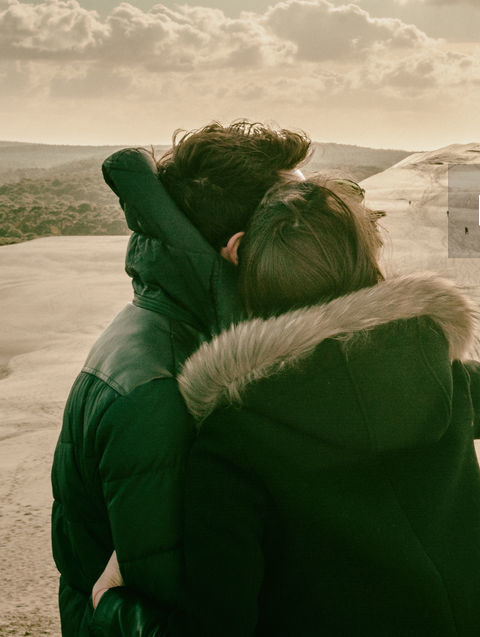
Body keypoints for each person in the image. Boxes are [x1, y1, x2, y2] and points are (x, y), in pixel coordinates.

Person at [91, 176, 480, 636]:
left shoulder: (233, 438)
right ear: (369, 269)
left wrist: (112, 606)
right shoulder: (436, 375)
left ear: (238, 255)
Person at [50, 122, 311, 637]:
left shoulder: (180, 334)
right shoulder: (164, 389)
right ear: (239, 249)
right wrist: (108, 611)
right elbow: (183, 611)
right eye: (296, 225)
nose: (312, 239)